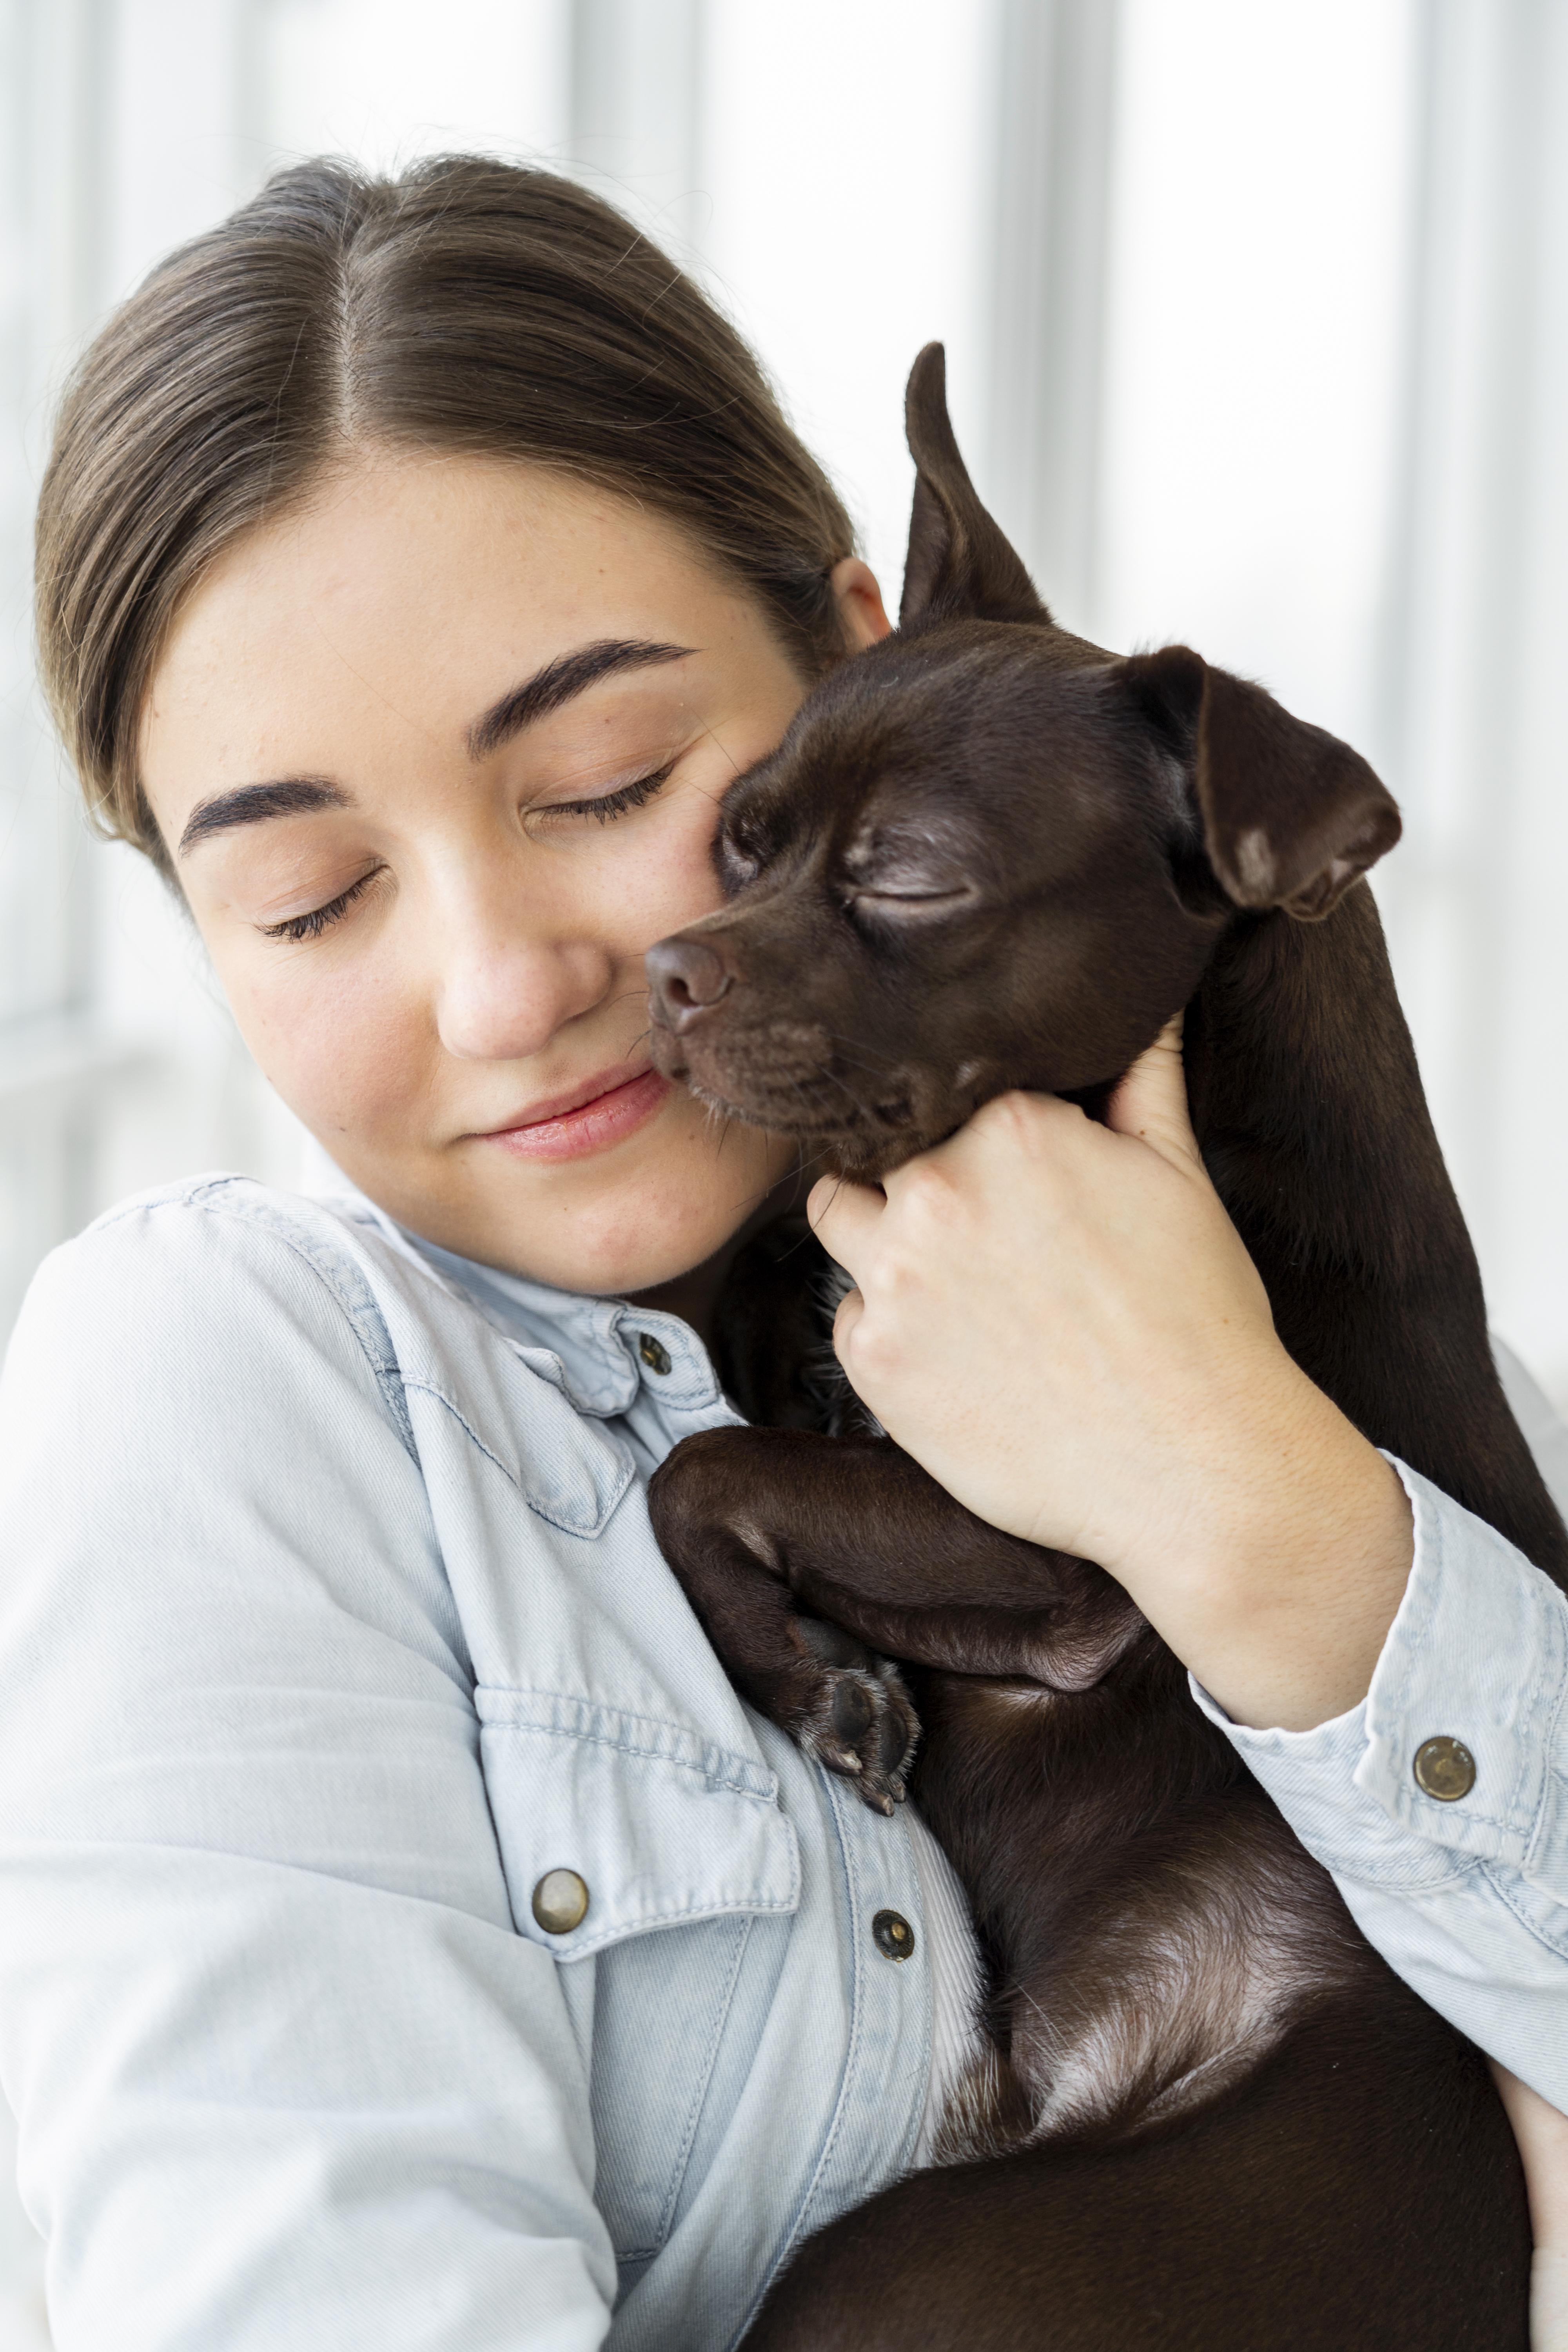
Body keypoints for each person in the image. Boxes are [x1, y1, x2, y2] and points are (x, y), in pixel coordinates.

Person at [0, 155, 1564, 2352]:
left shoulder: (1359, 1379)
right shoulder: (230, 1398)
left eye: (613, 782)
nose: (507, 988)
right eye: (313, 902)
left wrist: (1254, 1508)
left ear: (865, 666)